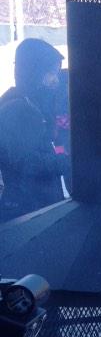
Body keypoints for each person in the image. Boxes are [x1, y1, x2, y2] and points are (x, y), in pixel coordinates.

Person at [0, 38, 70, 222]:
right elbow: (25, 163)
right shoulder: (17, 109)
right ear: (33, 72)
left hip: (36, 207)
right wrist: (63, 162)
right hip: (25, 213)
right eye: (50, 73)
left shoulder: (29, 106)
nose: (55, 80)